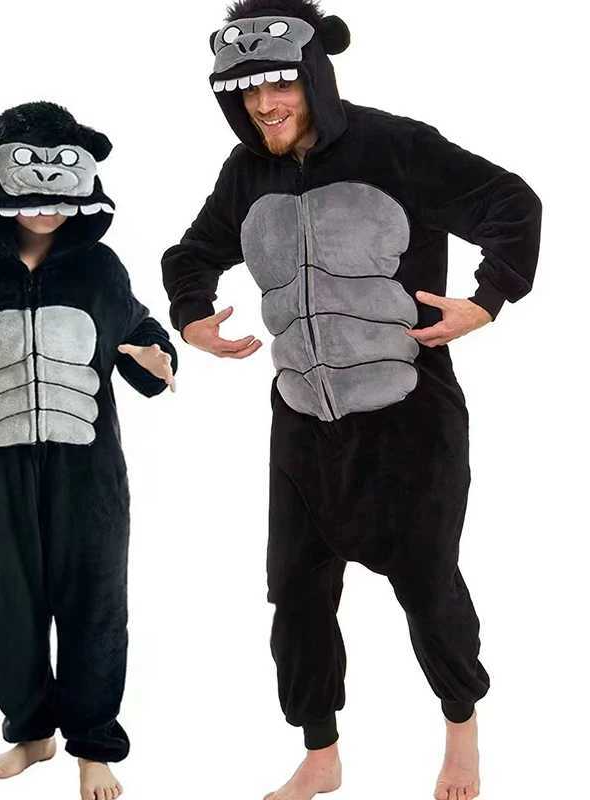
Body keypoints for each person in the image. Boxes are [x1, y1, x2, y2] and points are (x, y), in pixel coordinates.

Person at [161, 2, 541, 799]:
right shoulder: (245, 173)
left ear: (314, 75)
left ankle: (461, 727)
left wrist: (487, 300)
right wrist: (192, 315)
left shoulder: (396, 146)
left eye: (279, 84)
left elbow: (512, 203)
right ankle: (322, 754)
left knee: (428, 585)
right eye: (246, 91)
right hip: (301, 419)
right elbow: (191, 253)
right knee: (296, 594)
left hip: (409, 414)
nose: (264, 105)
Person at [0, 101, 177, 800]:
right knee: (6, 600)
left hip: (86, 468)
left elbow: (142, 332)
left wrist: (157, 360)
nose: (42, 204)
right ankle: (31, 734)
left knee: (94, 599)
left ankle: (94, 744)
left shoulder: (101, 268)